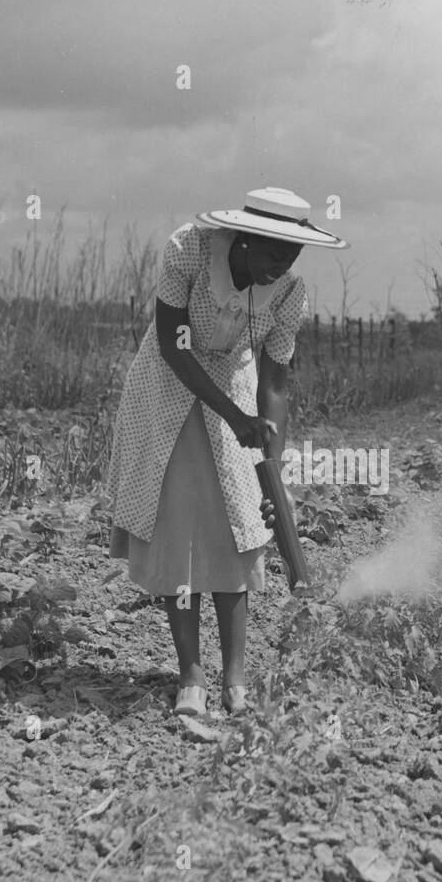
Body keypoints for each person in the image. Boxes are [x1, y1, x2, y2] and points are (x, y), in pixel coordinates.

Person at [105, 187, 347, 717]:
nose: (281, 267)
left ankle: (235, 678)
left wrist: (273, 471)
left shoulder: (288, 292)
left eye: (293, 256)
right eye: (274, 253)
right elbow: (174, 344)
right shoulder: (188, 250)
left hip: (236, 392)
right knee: (179, 526)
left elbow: (275, 383)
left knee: (238, 528)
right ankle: (190, 673)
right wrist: (234, 418)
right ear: (245, 237)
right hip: (167, 389)